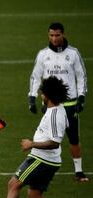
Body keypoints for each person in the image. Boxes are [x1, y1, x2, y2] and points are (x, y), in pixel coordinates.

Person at [0, 76, 69, 198]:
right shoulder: (58, 110)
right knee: (34, 194)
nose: (40, 95)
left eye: (42, 92)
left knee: (13, 184)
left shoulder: (54, 115)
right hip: (47, 159)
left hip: (42, 159)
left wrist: (32, 144)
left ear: (47, 95)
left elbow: (55, 142)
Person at [28, 22, 88, 182]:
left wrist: (82, 96)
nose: (54, 38)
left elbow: (81, 76)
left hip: (70, 104)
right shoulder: (43, 54)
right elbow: (35, 76)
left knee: (73, 138)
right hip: (49, 105)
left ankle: (79, 171)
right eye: (51, 35)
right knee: (47, 136)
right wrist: (32, 97)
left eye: (57, 35)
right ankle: (43, 166)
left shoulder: (73, 53)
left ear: (63, 34)